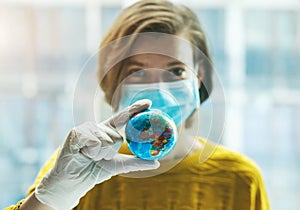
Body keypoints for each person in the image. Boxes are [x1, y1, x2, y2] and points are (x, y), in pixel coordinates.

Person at [6, 0, 270, 209]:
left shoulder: (240, 178)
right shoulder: (78, 167)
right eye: (138, 72)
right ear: (114, 79)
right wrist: (50, 200)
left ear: (199, 75)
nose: (159, 88)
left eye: (176, 71)